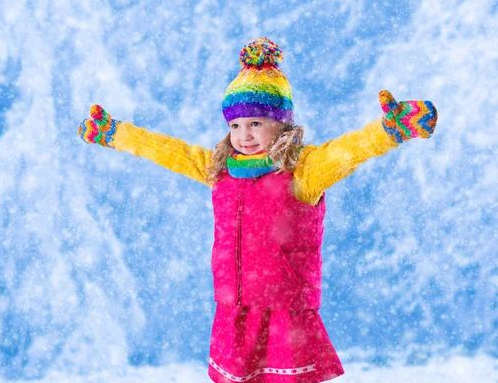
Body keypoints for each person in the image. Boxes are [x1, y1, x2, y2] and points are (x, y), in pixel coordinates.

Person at [78, 37, 438, 383]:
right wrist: (117, 133)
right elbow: (168, 151)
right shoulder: (220, 169)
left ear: (280, 123)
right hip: (234, 308)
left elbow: (349, 151)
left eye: (255, 123)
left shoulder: (304, 170)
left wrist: (390, 130)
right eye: (235, 125)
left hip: (284, 309)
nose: (244, 135)